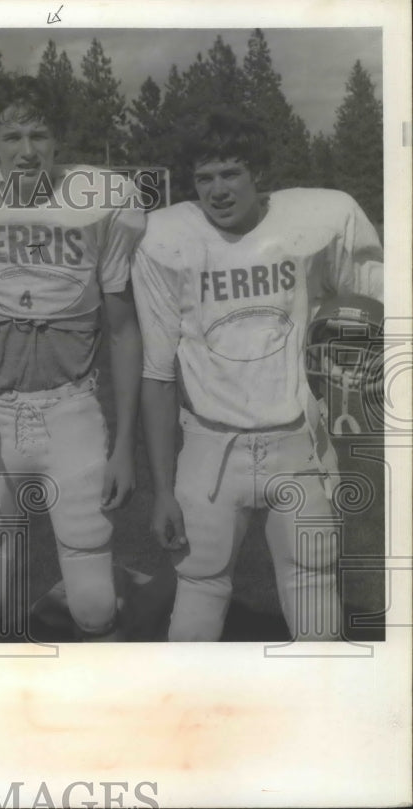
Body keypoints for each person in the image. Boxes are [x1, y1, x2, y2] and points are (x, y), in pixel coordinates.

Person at [0, 76, 146, 642]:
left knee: (92, 603)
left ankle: (107, 713)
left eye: (38, 134)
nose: (26, 150)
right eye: (12, 135)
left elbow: (125, 331)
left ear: (58, 140)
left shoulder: (96, 209)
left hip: (71, 408)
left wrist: (126, 445)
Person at [132, 109, 384, 641]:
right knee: (197, 600)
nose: (218, 190)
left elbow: (379, 294)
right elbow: (156, 374)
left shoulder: (312, 223)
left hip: (296, 445)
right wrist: (160, 490)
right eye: (205, 177)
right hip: (209, 450)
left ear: (258, 174)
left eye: (231, 173)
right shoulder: (167, 239)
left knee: (315, 602)